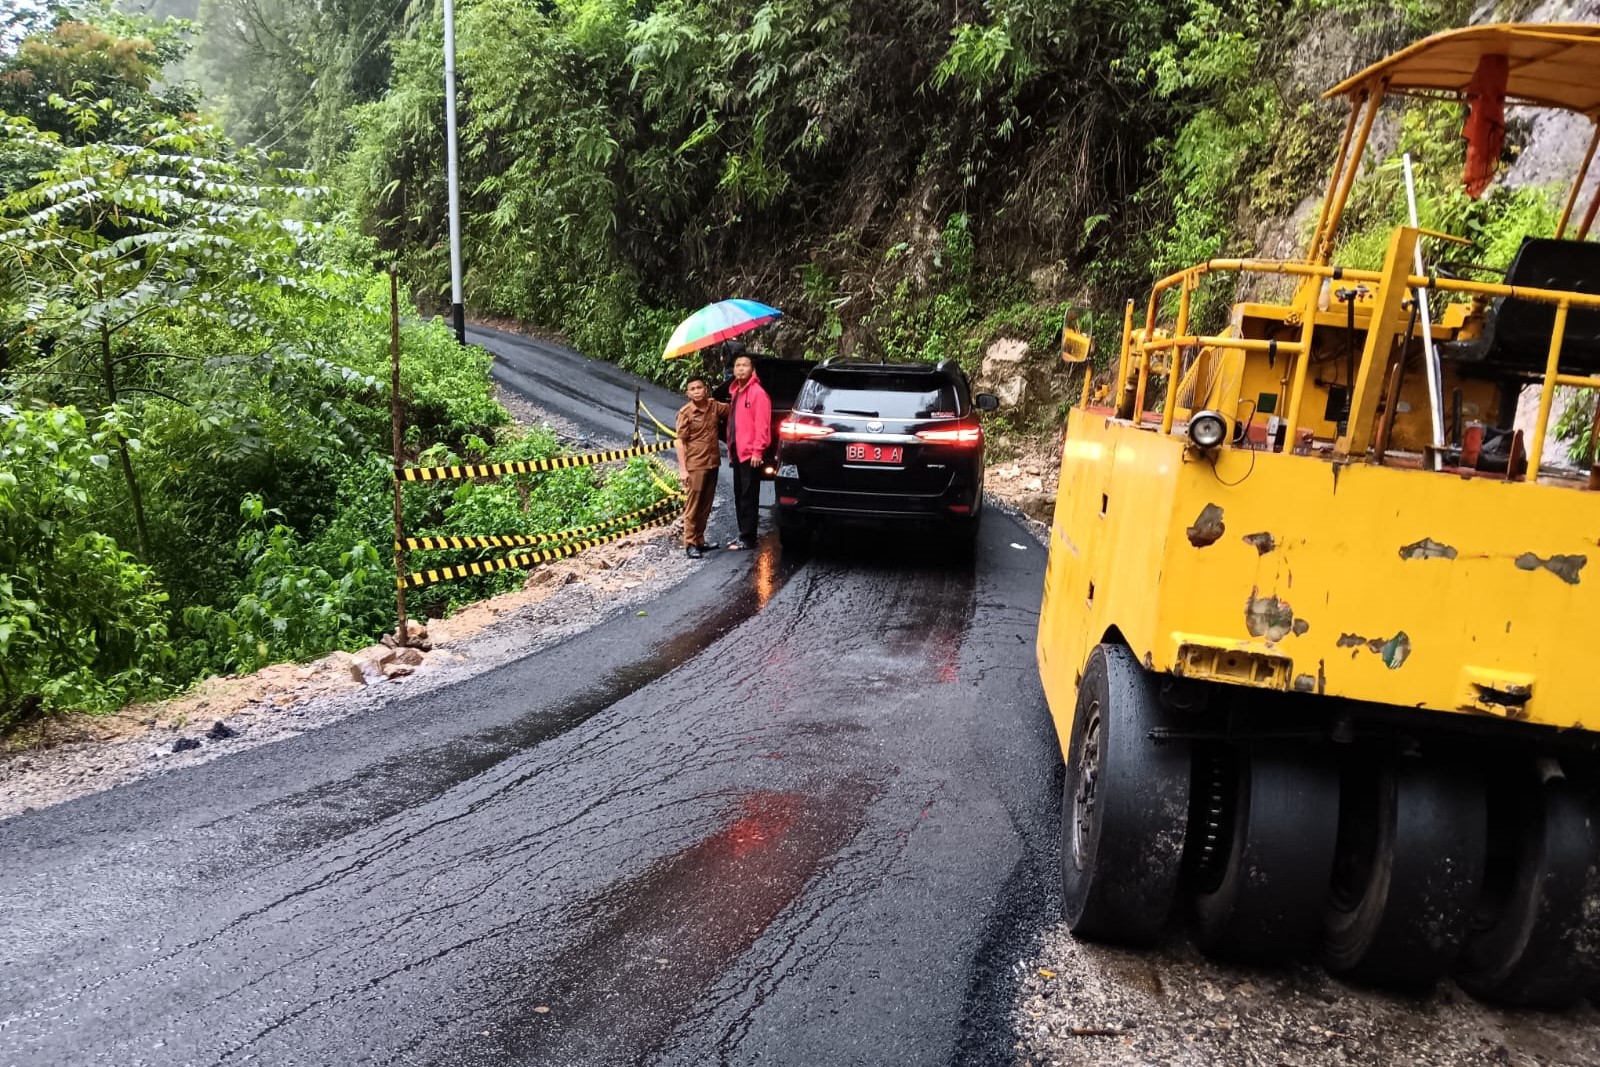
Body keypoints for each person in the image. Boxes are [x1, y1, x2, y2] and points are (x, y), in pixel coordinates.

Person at [675, 376, 726, 559]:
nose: (696, 391)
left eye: (699, 387)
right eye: (692, 389)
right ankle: (690, 544)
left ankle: (700, 541)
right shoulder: (686, 413)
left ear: (706, 389)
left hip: (713, 462)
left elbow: (734, 410)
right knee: (693, 505)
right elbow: (679, 442)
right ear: (688, 393)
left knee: (706, 504)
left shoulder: (714, 406)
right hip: (695, 464)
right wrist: (683, 469)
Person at [725, 354, 771, 551]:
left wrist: (757, 451)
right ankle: (742, 533)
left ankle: (748, 537)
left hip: (750, 453)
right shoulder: (737, 392)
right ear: (733, 370)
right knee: (738, 493)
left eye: (745, 365)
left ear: (753, 370)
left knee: (749, 495)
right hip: (737, 450)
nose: (741, 368)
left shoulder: (757, 393)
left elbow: (762, 425)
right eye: (737, 365)